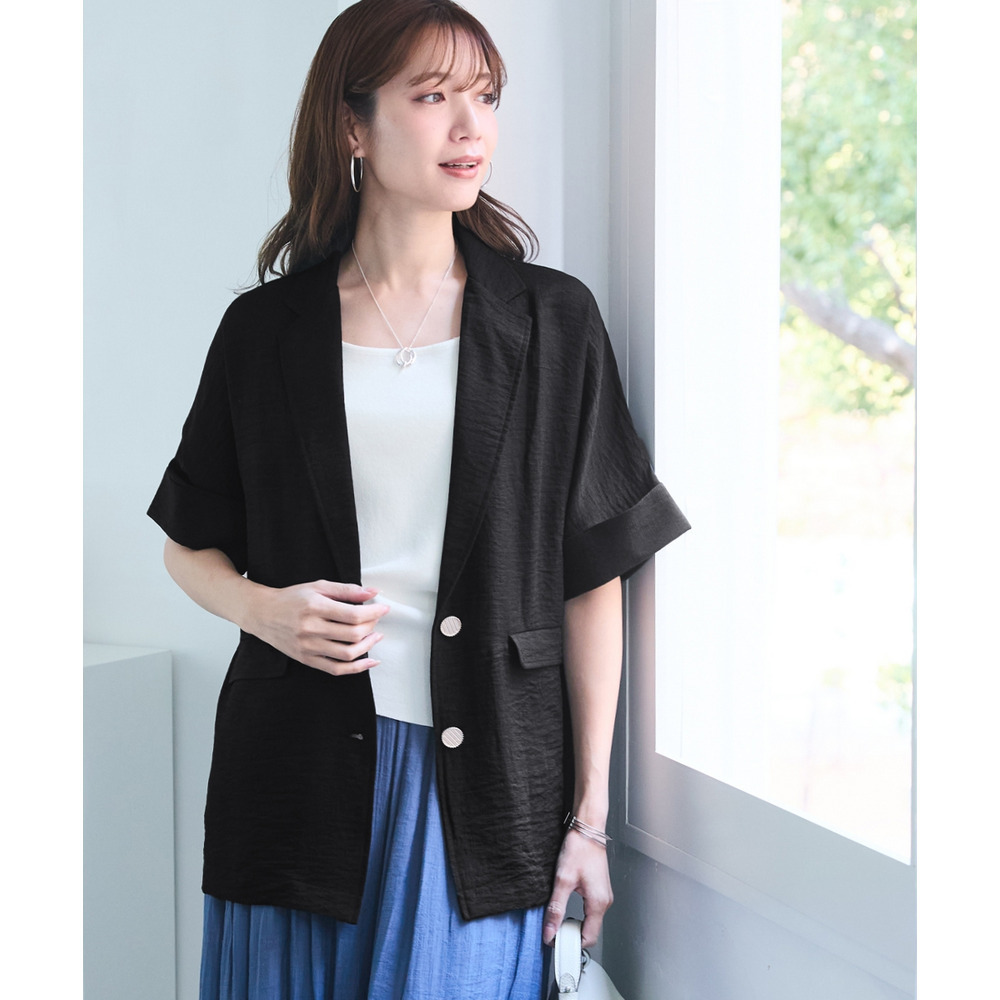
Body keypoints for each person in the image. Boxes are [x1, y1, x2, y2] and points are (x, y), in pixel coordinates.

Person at [148, 1, 689, 997]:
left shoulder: (551, 322)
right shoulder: (265, 333)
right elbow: (190, 541)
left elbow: (592, 574)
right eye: (433, 97)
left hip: (486, 784)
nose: (471, 126)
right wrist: (266, 611)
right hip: (295, 778)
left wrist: (590, 820)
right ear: (351, 126)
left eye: (485, 97)